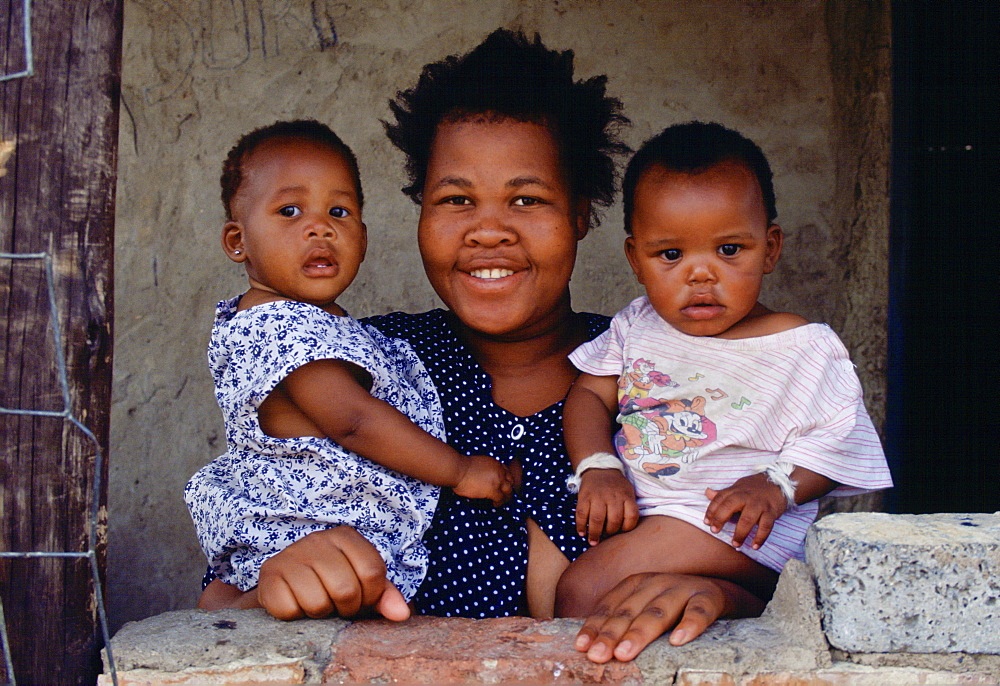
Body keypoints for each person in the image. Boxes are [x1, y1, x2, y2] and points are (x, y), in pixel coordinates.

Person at [198, 31, 781, 664]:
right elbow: (217, 603)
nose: (488, 231)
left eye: (527, 199)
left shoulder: (670, 372)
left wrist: (723, 596)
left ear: (581, 214)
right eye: (455, 200)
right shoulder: (358, 368)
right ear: (421, 211)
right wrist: (283, 580)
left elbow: (772, 558)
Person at [556, 122, 893, 625]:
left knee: (585, 590)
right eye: (671, 254)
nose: (701, 274)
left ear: (771, 248)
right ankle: (731, 602)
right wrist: (597, 465)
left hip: (740, 527)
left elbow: (839, 439)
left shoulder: (800, 344)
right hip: (652, 519)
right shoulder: (637, 326)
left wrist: (779, 484)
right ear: (636, 259)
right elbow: (588, 397)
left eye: (729, 250)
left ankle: (756, 598)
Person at [184, 119, 514, 605]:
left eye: (339, 211)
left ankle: (235, 601)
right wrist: (460, 472)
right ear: (238, 241)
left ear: (362, 235)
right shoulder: (281, 327)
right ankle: (243, 604)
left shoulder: (322, 324)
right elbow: (353, 421)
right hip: (310, 529)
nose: (320, 227)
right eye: (289, 211)